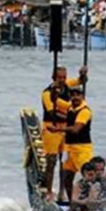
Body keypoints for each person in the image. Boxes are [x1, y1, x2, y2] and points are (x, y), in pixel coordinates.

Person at [41, 65, 88, 199]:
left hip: (64, 130)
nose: (62, 80)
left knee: (63, 162)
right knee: (51, 161)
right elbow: (52, 113)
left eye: (64, 77)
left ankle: (62, 191)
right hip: (51, 129)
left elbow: (81, 81)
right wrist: (73, 117)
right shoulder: (47, 93)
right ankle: (49, 191)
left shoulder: (67, 85)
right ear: (53, 78)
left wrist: (83, 74)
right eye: (59, 78)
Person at [60, 88, 94, 204]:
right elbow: (68, 117)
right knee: (67, 178)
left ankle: (88, 202)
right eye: (72, 95)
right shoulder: (70, 108)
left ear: (82, 97)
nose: (75, 98)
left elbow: (76, 129)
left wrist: (57, 129)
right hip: (69, 149)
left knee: (88, 178)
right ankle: (72, 202)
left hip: (82, 149)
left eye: (77, 95)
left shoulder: (85, 111)